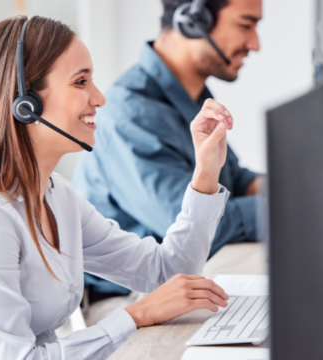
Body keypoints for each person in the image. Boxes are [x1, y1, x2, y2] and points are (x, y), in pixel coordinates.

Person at [0, 16, 234, 360]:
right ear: (25, 103)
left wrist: (206, 173)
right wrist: (136, 316)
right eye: (80, 82)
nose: (100, 98)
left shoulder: (56, 195)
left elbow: (167, 273)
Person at [73, 0, 263, 301]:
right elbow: (200, 229)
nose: (255, 43)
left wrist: (295, 187)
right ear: (192, 20)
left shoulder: (191, 97)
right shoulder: (131, 116)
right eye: (245, 25)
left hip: (182, 280)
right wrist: (292, 207)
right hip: (126, 299)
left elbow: (237, 181)